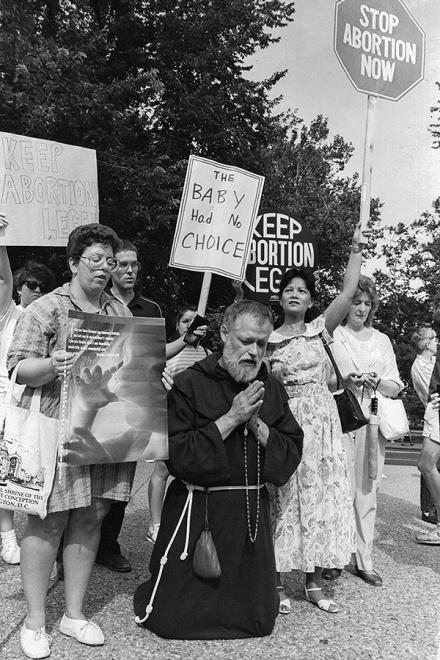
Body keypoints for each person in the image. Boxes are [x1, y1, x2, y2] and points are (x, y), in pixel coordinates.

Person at [133, 300, 303, 639]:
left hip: (249, 518)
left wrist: (258, 427)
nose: (254, 352)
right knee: (174, 620)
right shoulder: (190, 383)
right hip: (200, 512)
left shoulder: (272, 387)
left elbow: (292, 449)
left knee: (257, 620)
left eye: (262, 344)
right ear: (224, 334)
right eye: (246, 341)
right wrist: (231, 419)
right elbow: (177, 456)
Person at [7, 224, 134, 659]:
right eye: (95, 259)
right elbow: (15, 369)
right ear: (73, 262)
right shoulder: (45, 309)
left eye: (110, 261)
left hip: (105, 428)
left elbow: (132, 363)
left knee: (92, 517)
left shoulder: (121, 309)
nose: (104, 267)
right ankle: (35, 620)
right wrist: (51, 364)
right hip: (57, 434)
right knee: (48, 521)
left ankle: (74, 614)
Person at [266, 222, 366, 615]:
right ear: (279, 298)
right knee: (284, 500)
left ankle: (313, 582)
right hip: (288, 427)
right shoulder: (268, 338)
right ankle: (274, 583)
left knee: (322, 500)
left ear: (310, 300)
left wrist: (356, 248)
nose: (295, 294)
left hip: (324, 429)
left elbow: (346, 290)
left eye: (302, 290)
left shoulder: (320, 330)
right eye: (289, 289)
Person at [95, 244, 208, 569]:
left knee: (122, 477)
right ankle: (71, 548)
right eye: (123, 265)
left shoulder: (151, 309)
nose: (130, 271)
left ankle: (108, 547)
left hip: (135, 403)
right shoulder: (98, 306)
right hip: (101, 396)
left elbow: (155, 355)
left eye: (135, 265)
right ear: (112, 267)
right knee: (89, 480)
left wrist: (178, 350)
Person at [328, 275, 403, 585]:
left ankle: (364, 559)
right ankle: (334, 556)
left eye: (367, 303)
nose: (361, 308)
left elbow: (395, 385)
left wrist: (375, 380)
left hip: (371, 419)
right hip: (340, 417)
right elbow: (324, 377)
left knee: (366, 490)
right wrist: (347, 379)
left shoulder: (381, 339)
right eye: (356, 302)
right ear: (346, 305)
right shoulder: (332, 335)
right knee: (337, 489)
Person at [0, 214, 56, 566]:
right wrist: (1, 239)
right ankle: (7, 538)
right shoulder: (10, 314)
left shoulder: (47, 319)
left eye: (43, 288)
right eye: (31, 285)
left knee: (10, 470)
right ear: (21, 287)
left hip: (23, 403)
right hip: (3, 398)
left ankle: (8, 535)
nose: (37, 291)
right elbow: (3, 280)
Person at [147, 304, 210, 544]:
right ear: (177, 325)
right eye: (186, 321)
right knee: (162, 470)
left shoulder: (206, 353)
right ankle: (155, 524)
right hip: (167, 415)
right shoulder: (168, 351)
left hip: (193, 421)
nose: (190, 325)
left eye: (195, 321)